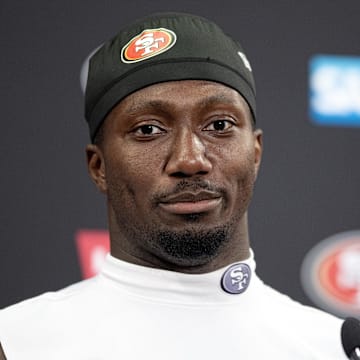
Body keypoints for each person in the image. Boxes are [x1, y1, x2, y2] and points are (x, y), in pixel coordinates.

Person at [0, 12, 347, 359]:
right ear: (99, 167)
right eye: (148, 129)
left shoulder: (333, 347)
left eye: (219, 124)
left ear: (255, 153)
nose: (190, 160)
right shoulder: (17, 342)